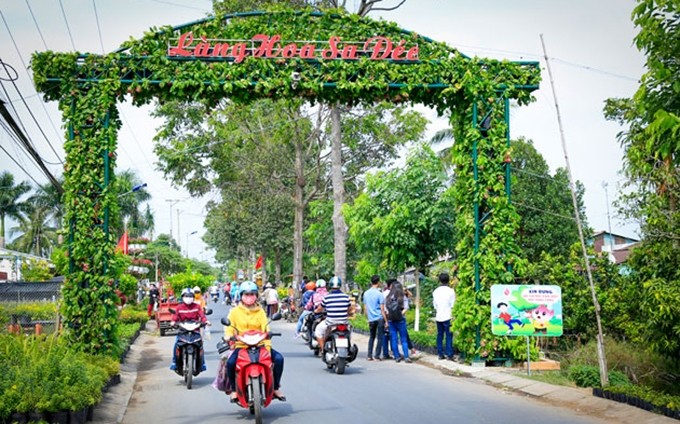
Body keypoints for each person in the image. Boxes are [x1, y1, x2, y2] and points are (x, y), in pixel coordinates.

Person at [224, 281, 286, 403]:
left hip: (260, 344)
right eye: (246, 294)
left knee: (279, 359)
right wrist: (228, 336)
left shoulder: (260, 311)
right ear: (241, 295)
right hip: (241, 345)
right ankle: (234, 390)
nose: (249, 296)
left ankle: (275, 388)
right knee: (230, 363)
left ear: (256, 295)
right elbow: (229, 327)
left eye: (252, 294)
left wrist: (268, 335)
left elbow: (265, 327)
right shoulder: (235, 312)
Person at [169, 288, 210, 371]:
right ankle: (174, 362)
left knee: (200, 346)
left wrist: (206, 321)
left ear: (193, 297)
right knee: (176, 344)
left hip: (195, 329)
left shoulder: (197, 306)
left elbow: (202, 316)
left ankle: (202, 364)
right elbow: (175, 317)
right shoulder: (179, 307)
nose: (188, 298)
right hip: (183, 330)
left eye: (190, 296)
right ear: (182, 297)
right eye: (186, 296)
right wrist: (173, 322)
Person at [314, 276, 353, 355]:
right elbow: (350, 309)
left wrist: (315, 311)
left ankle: (322, 350)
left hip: (330, 322)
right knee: (350, 332)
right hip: (343, 322)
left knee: (318, 331)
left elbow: (320, 309)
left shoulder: (327, 297)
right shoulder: (346, 297)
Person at [385, 281, 411, 363]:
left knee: (394, 339)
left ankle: (396, 356)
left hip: (391, 320)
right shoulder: (403, 297)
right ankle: (406, 356)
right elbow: (406, 308)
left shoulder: (388, 297)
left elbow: (386, 310)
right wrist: (400, 314)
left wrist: (391, 315)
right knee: (403, 339)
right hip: (401, 320)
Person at [433, 272, 456, 360]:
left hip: (439, 316)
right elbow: (453, 305)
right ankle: (449, 354)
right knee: (449, 335)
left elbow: (435, 305)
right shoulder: (451, 291)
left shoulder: (436, 291)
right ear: (448, 280)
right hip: (448, 316)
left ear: (439, 280)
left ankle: (440, 354)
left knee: (440, 335)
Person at [363, 275, 385, 361]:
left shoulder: (366, 293)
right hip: (379, 318)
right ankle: (377, 355)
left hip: (371, 318)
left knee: (371, 336)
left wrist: (367, 318)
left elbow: (365, 308)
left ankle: (369, 355)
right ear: (378, 282)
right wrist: (386, 320)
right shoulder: (380, 294)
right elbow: (382, 309)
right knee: (380, 337)